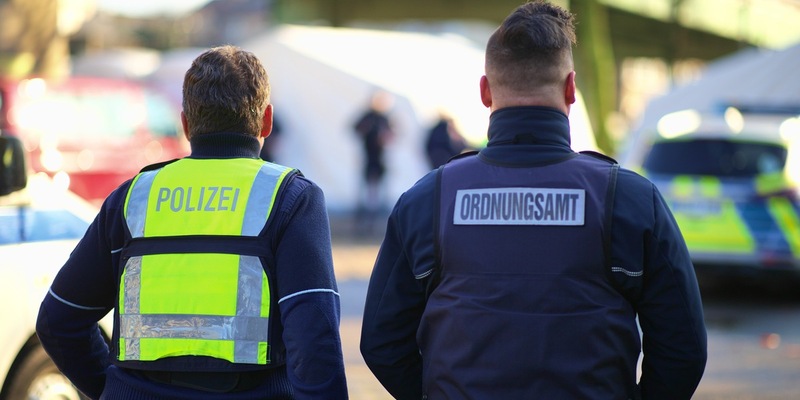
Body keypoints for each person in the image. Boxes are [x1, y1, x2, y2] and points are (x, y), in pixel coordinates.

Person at [360, 1, 707, 399]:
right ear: (571, 88)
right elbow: (683, 349)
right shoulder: (629, 199)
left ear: (486, 91)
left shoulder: (427, 200)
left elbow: (381, 342)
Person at [36, 45, 348, 400]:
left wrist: (112, 388)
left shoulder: (133, 198)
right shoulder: (291, 197)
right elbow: (313, 338)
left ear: (186, 124)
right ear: (267, 120)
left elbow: (59, 320)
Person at [352, 90, 395, 234]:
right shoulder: (368, 116)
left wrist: (386, 138)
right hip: (369, 158)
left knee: (379, 191)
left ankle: (376, 220)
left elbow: (391, 134)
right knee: (367, 191)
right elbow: (355, 128)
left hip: (380, 159)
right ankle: (364, 220)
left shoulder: (384, 118)